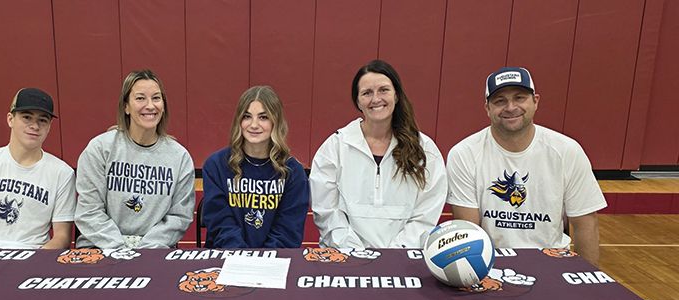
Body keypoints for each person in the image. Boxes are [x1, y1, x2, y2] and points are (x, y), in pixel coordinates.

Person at [446, 66, 606, 264]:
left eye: (520, 98)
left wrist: (585, 283)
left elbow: (585, 225)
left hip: (552, 262)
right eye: (500, 101)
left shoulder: (567, 151)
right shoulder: (464, 154)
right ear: (487, 108)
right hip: (489, 264)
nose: (511, 107)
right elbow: (468, 231)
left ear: (535, 101)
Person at [309, 60, 447, 249]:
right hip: (345, 260)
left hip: (403, 262)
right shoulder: (335, 147)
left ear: (396, 95)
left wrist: (393, 256)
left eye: (383, 90)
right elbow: (326, 212)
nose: (376, 99)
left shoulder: (424, 149)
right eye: (367, 93)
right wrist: (355, 253)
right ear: (357, 101)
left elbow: (425, 215)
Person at [74, 70, 195, 249]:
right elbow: (89, 211)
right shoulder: (100, 149)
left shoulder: (180, 157)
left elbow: (179, 217)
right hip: (100, 248)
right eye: (140, 98)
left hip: (154, 251)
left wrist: (144, 250)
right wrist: (120, 248)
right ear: (126, 107)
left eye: (156, 98)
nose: (150, 106)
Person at [0, 88, 76, 249]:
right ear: (10, 119)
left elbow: (62, 236)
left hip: (35, 258)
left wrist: (32, 264)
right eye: (26, 117)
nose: (35, 126)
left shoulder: (62, 173)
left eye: (42, 120)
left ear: (49, 126)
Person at [201, 86, 309, 248]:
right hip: (226, 259)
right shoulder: (216, 165)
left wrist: (260, 262)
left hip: (273, 262)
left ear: (276, 121)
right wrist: (242, 257)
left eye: (263, 117)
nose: (254, 125)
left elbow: (288, 231)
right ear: (239, 120)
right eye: (247, 116)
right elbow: (220, 223)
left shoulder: (293, 172)